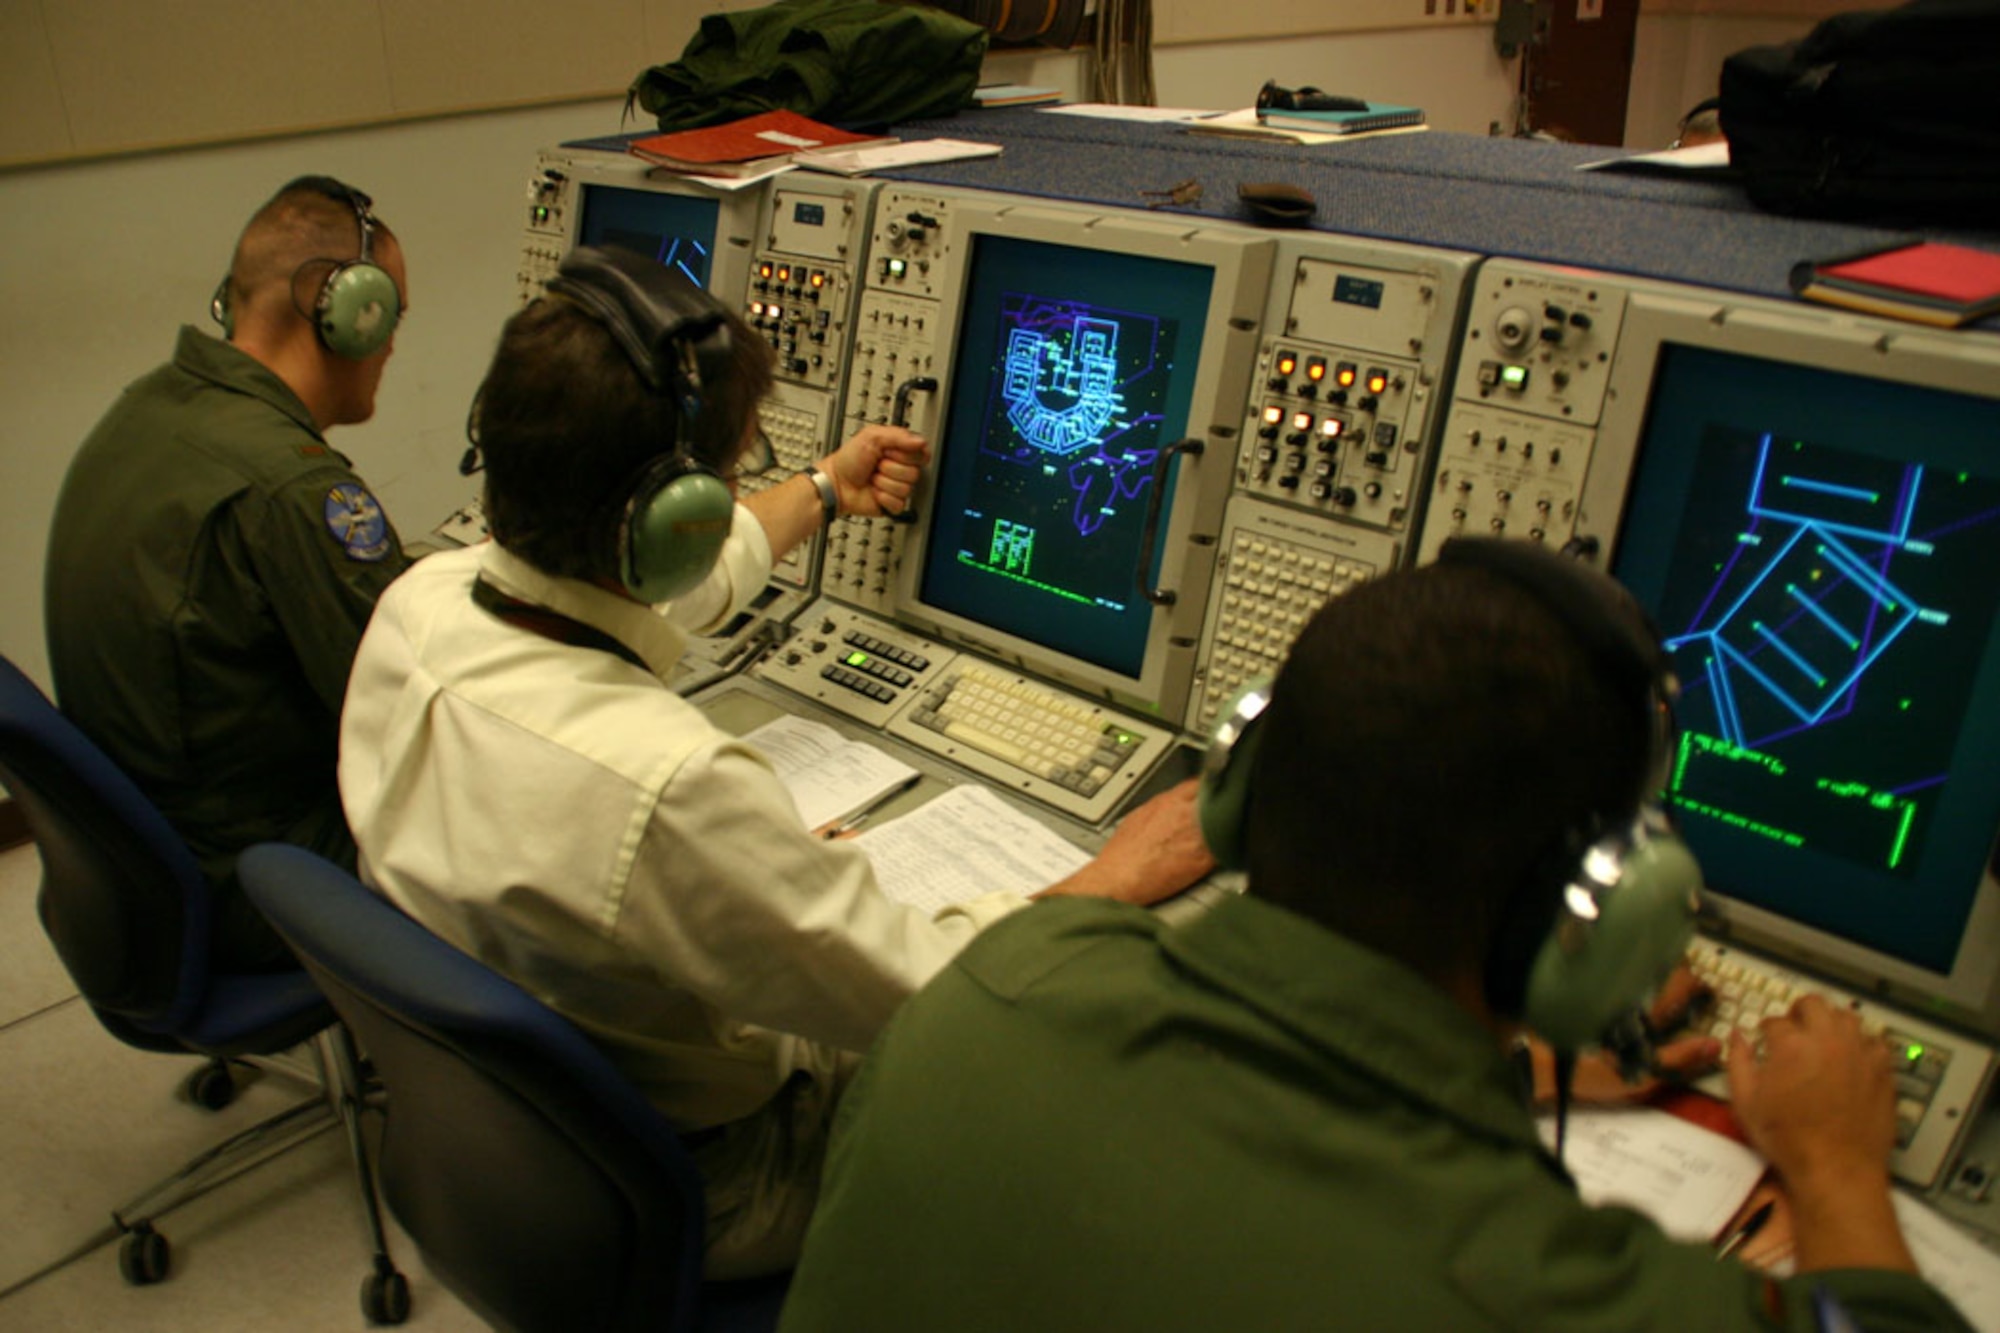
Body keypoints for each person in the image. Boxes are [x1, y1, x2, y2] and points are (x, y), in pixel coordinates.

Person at [777, 541, 1967, 1333]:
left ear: (1243, 793)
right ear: (1588, 924)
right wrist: (1832, 1165)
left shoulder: (1000, 979)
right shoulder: (1540, 1292)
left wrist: (1509, 1067)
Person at [336, 245, 1215, 1278]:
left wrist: (823, 489)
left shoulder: (416, 605)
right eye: (727, 481)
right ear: (671, 525)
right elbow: (933, 990)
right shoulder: (668, 786)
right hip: (715, 1180)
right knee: (1082, 1039)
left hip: (534, 1128)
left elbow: (665, 590)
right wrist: (1110, 878)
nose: (731, 501)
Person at [45, 175, 412, 971]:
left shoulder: (148, 407)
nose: (391, 346)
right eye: (392, 316)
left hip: (153, 863)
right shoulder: (291, 488)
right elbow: (417, 709)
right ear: (343, 310)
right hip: (255, 881)